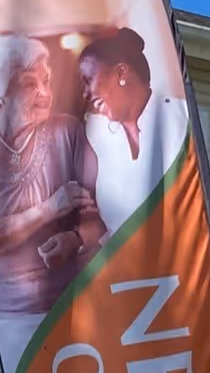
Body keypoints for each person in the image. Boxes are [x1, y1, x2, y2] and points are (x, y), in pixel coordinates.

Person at [0, 36, 100, 373]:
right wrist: (49, 209)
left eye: (46, 81)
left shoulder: (68, 132)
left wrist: (76, 239)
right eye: (28, 84)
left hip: (70, 312)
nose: (44, 93)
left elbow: (102, 216)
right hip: (4, 319)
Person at [78, 28, 190, 235]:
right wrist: (76, 238)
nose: (84, 94)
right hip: (124, 265)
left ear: (121, 73)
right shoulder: (97, 134)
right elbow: (110, 224)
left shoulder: (182, 120)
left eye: (88, 79)